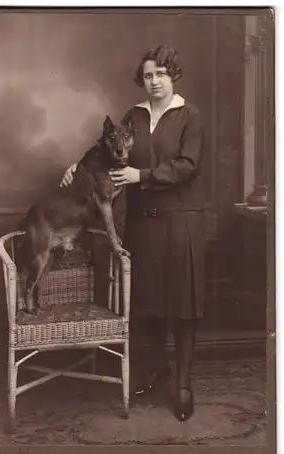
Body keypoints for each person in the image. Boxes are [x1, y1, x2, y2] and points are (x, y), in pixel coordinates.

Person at [61, 45, 205, 421]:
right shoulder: (135, 116)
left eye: (161, 74)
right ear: (141, 80)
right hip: (143, 222)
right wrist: (78, 165)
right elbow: (107, 148)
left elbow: (189, 165)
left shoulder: (190, 115)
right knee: (151, 304)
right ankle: (159, 372)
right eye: (148, 75)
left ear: (172, 75)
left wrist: (142, 176)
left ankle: (184, 383)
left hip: (180, 220)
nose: (154, 81)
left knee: (183, 307)